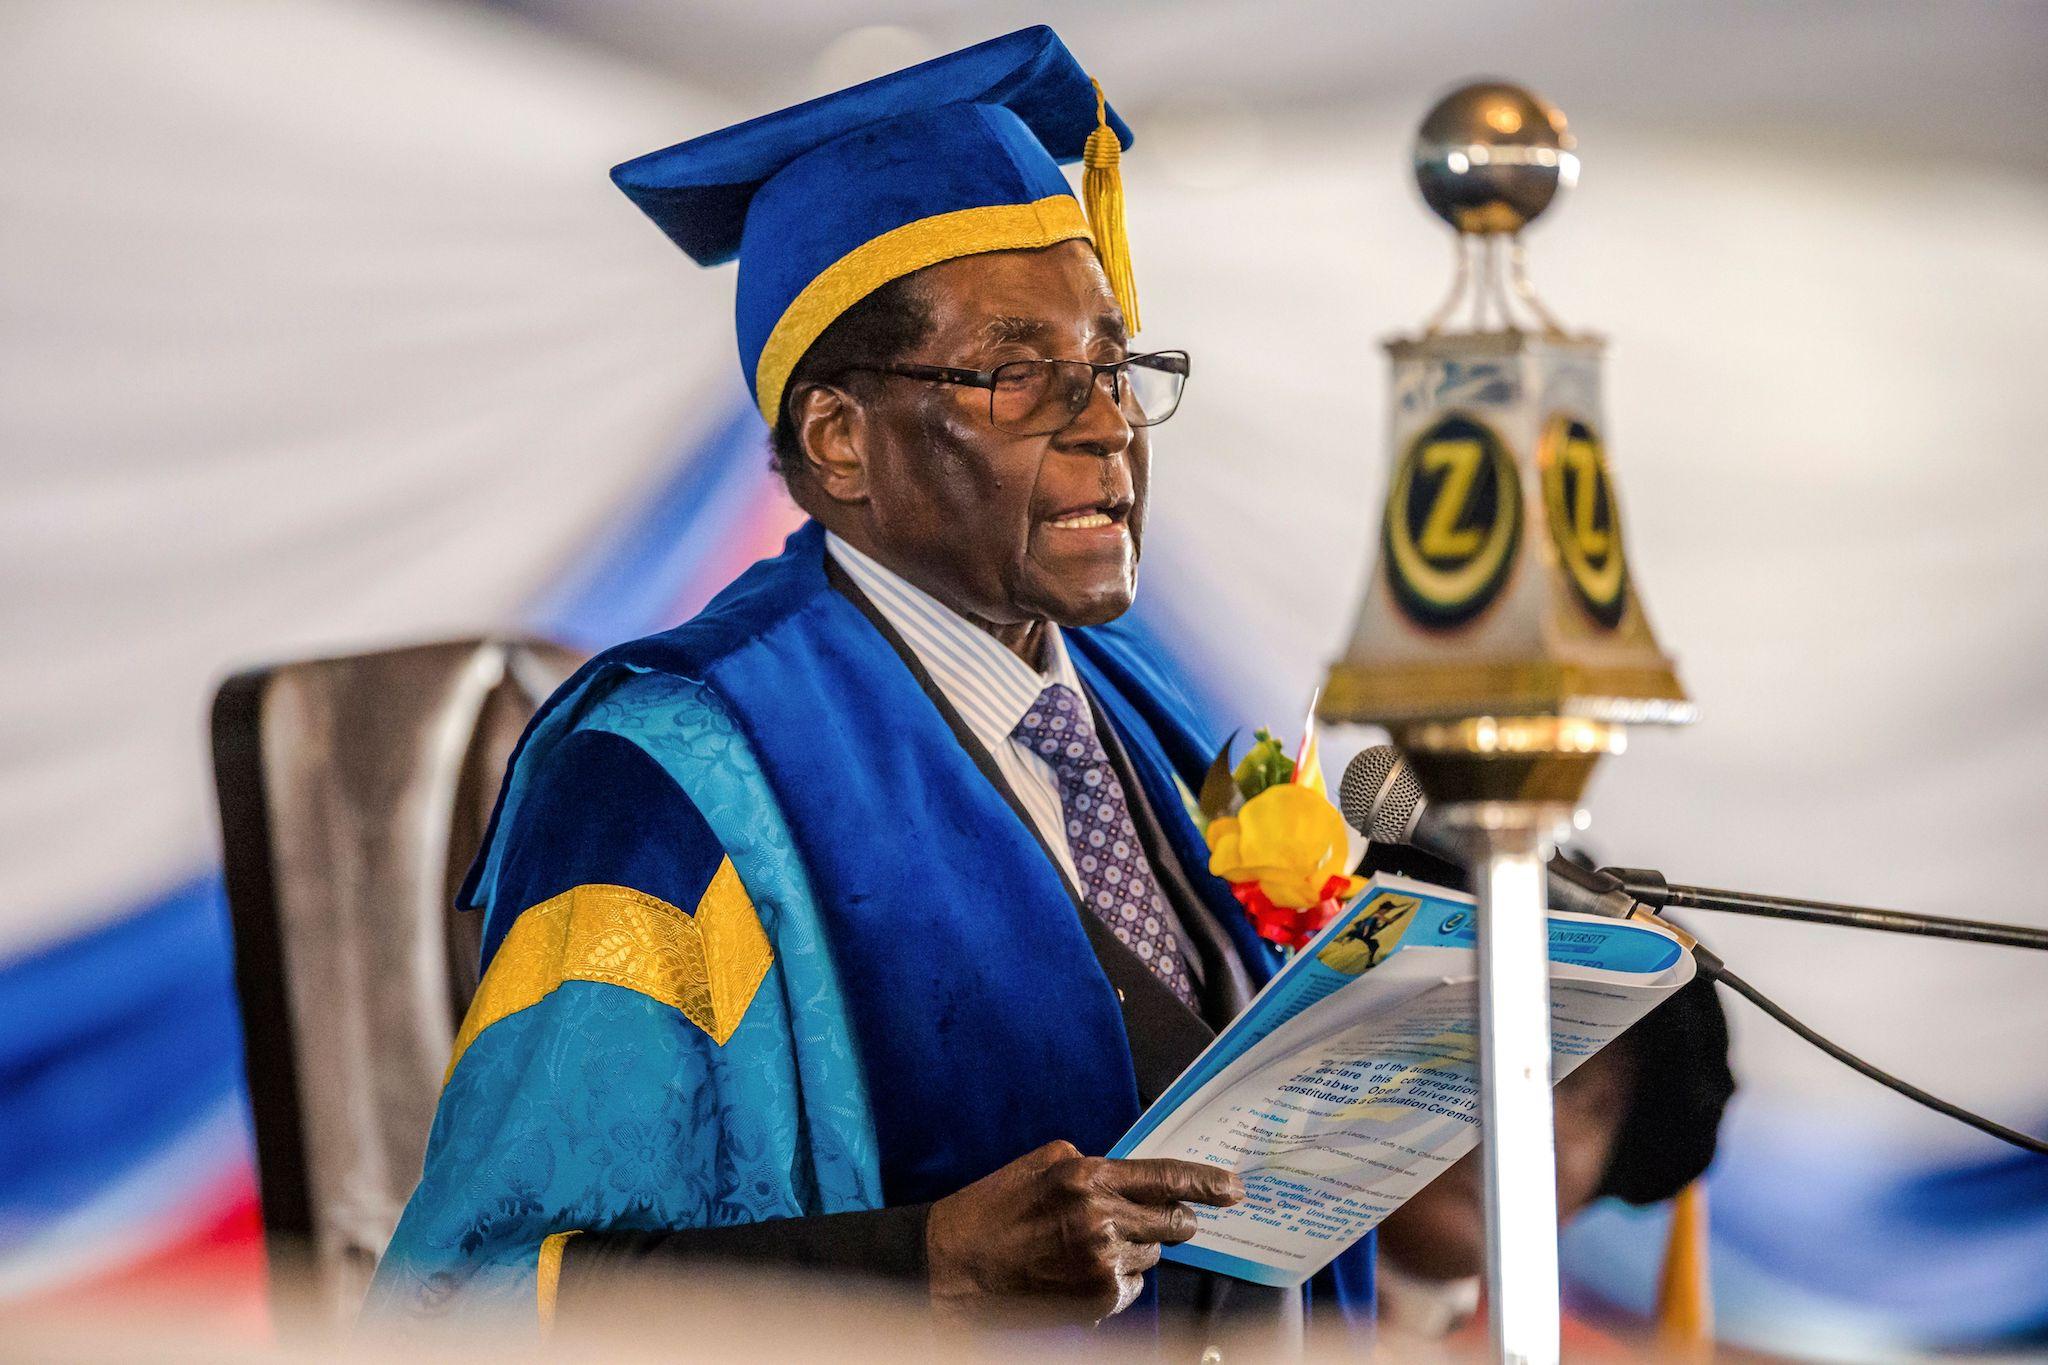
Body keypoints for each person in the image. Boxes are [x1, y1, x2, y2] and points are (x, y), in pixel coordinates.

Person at [365, 26, 1372, 1345]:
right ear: (842, 441)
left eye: (1115, 365)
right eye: (1022, 377)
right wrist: (925, 1266)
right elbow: (471, 1304)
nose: (1107, 423)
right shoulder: (670, 773)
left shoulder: (1140, 716)